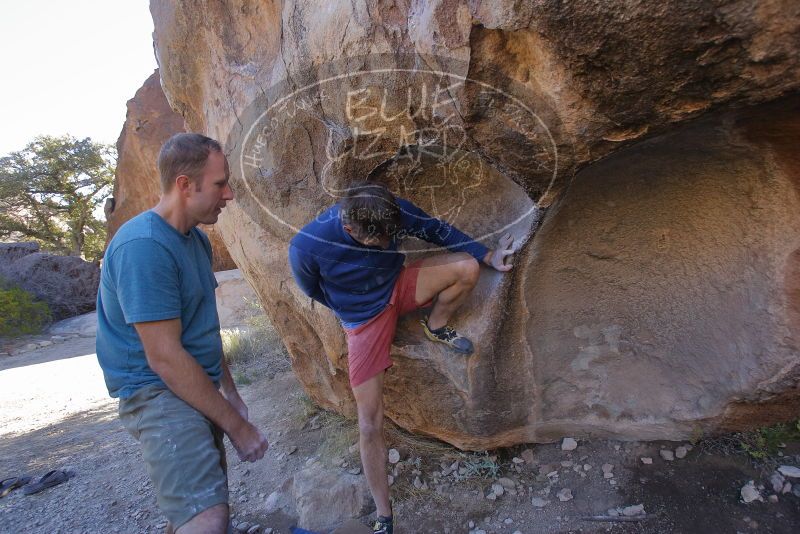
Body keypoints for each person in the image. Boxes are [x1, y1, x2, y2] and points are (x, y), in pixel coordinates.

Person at [288, 182, 514, 534]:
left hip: (399, 285)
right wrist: (353, 310)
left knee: (466, 268)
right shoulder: (307, 245)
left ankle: (435, 325)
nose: (384, 245)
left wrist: (488, 256)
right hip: (364, 322)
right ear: (350, 229)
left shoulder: (389, 210)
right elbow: (312, 289)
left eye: (389, 239)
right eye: (375, 242)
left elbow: (436, 230)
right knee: (369, 422)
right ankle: (384, 517)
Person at [96, 133, 268, 534]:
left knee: (198, 506)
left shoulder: (196, 242)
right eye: (220, 183)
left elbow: (202, 328)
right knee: (208, 517)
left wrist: (231, 393)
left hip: (195, 385)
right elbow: (165, 358)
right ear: (184, 185)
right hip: (158, 391)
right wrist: (239, 429)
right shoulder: (144, 247)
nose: (228, 195)